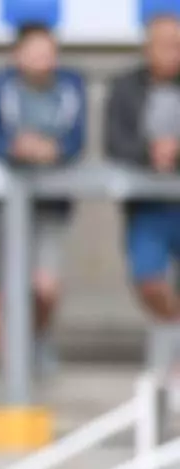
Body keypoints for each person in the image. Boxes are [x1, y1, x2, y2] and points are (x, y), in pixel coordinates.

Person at [0, 23, 87, 373]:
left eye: (48, 53)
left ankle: (33, 341)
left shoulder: (71, 85)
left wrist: (50, 150)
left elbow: (75, 141)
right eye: (35, 53)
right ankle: (9, 368)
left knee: (45, 285)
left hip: (50, 200)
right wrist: (18, 149)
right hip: (2, 200)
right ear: (17, 55)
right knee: (0, 286)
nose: (43, 61)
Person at [105, 12, 180, 323]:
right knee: (149, 283)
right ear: (147, 48)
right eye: (163, 45)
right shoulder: (124, 87)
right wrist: (150, 153)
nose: (171, 53)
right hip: (146, 206)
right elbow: (114, 141)